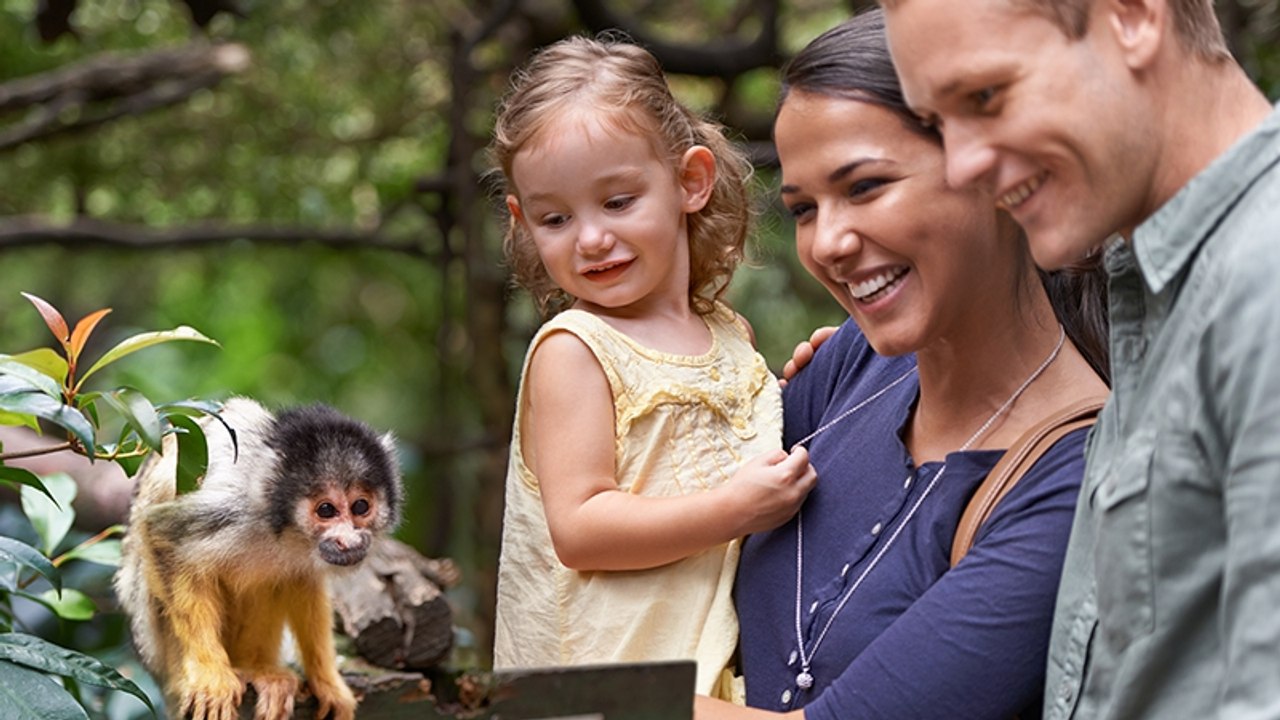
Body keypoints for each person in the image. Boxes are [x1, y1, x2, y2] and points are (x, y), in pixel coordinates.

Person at [697, 10, 1111, 720]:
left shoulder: (1076, 486)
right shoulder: (850, 366)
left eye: (864, 188)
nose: (827, 242)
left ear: (992, 169)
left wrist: (578, 691)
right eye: (802, 208)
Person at [879, 0, 1280, 717]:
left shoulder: (1262, 281)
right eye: (940, 125)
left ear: (1132, 17)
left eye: (985, 98)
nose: (963, 164)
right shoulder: (1162, 288)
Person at [488, 35, 818, 701]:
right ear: (524, 223)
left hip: (706, 671)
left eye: (617, 201)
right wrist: (733, 509)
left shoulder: (731, 337)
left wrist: (806, 386)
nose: (591, 238)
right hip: (599, 687)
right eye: (555, 217)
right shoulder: (575, 350)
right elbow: (581, 529)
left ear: (689, 182)